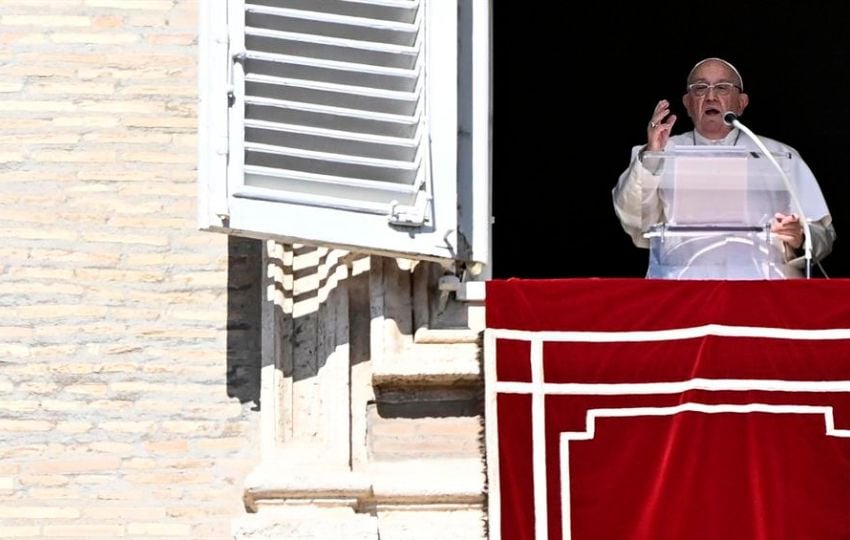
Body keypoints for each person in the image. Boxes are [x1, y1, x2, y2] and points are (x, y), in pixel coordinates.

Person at [613, 57, 835, 279]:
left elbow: (822, 234)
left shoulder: (778, 156)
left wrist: (800, 237)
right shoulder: (659, 152)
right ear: (687, 103)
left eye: (722, 88)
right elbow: (634, 221)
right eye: (700, 88)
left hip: (764, 292)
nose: (710, 96)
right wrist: (652, 155)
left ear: (741, 102)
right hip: (682, 289)